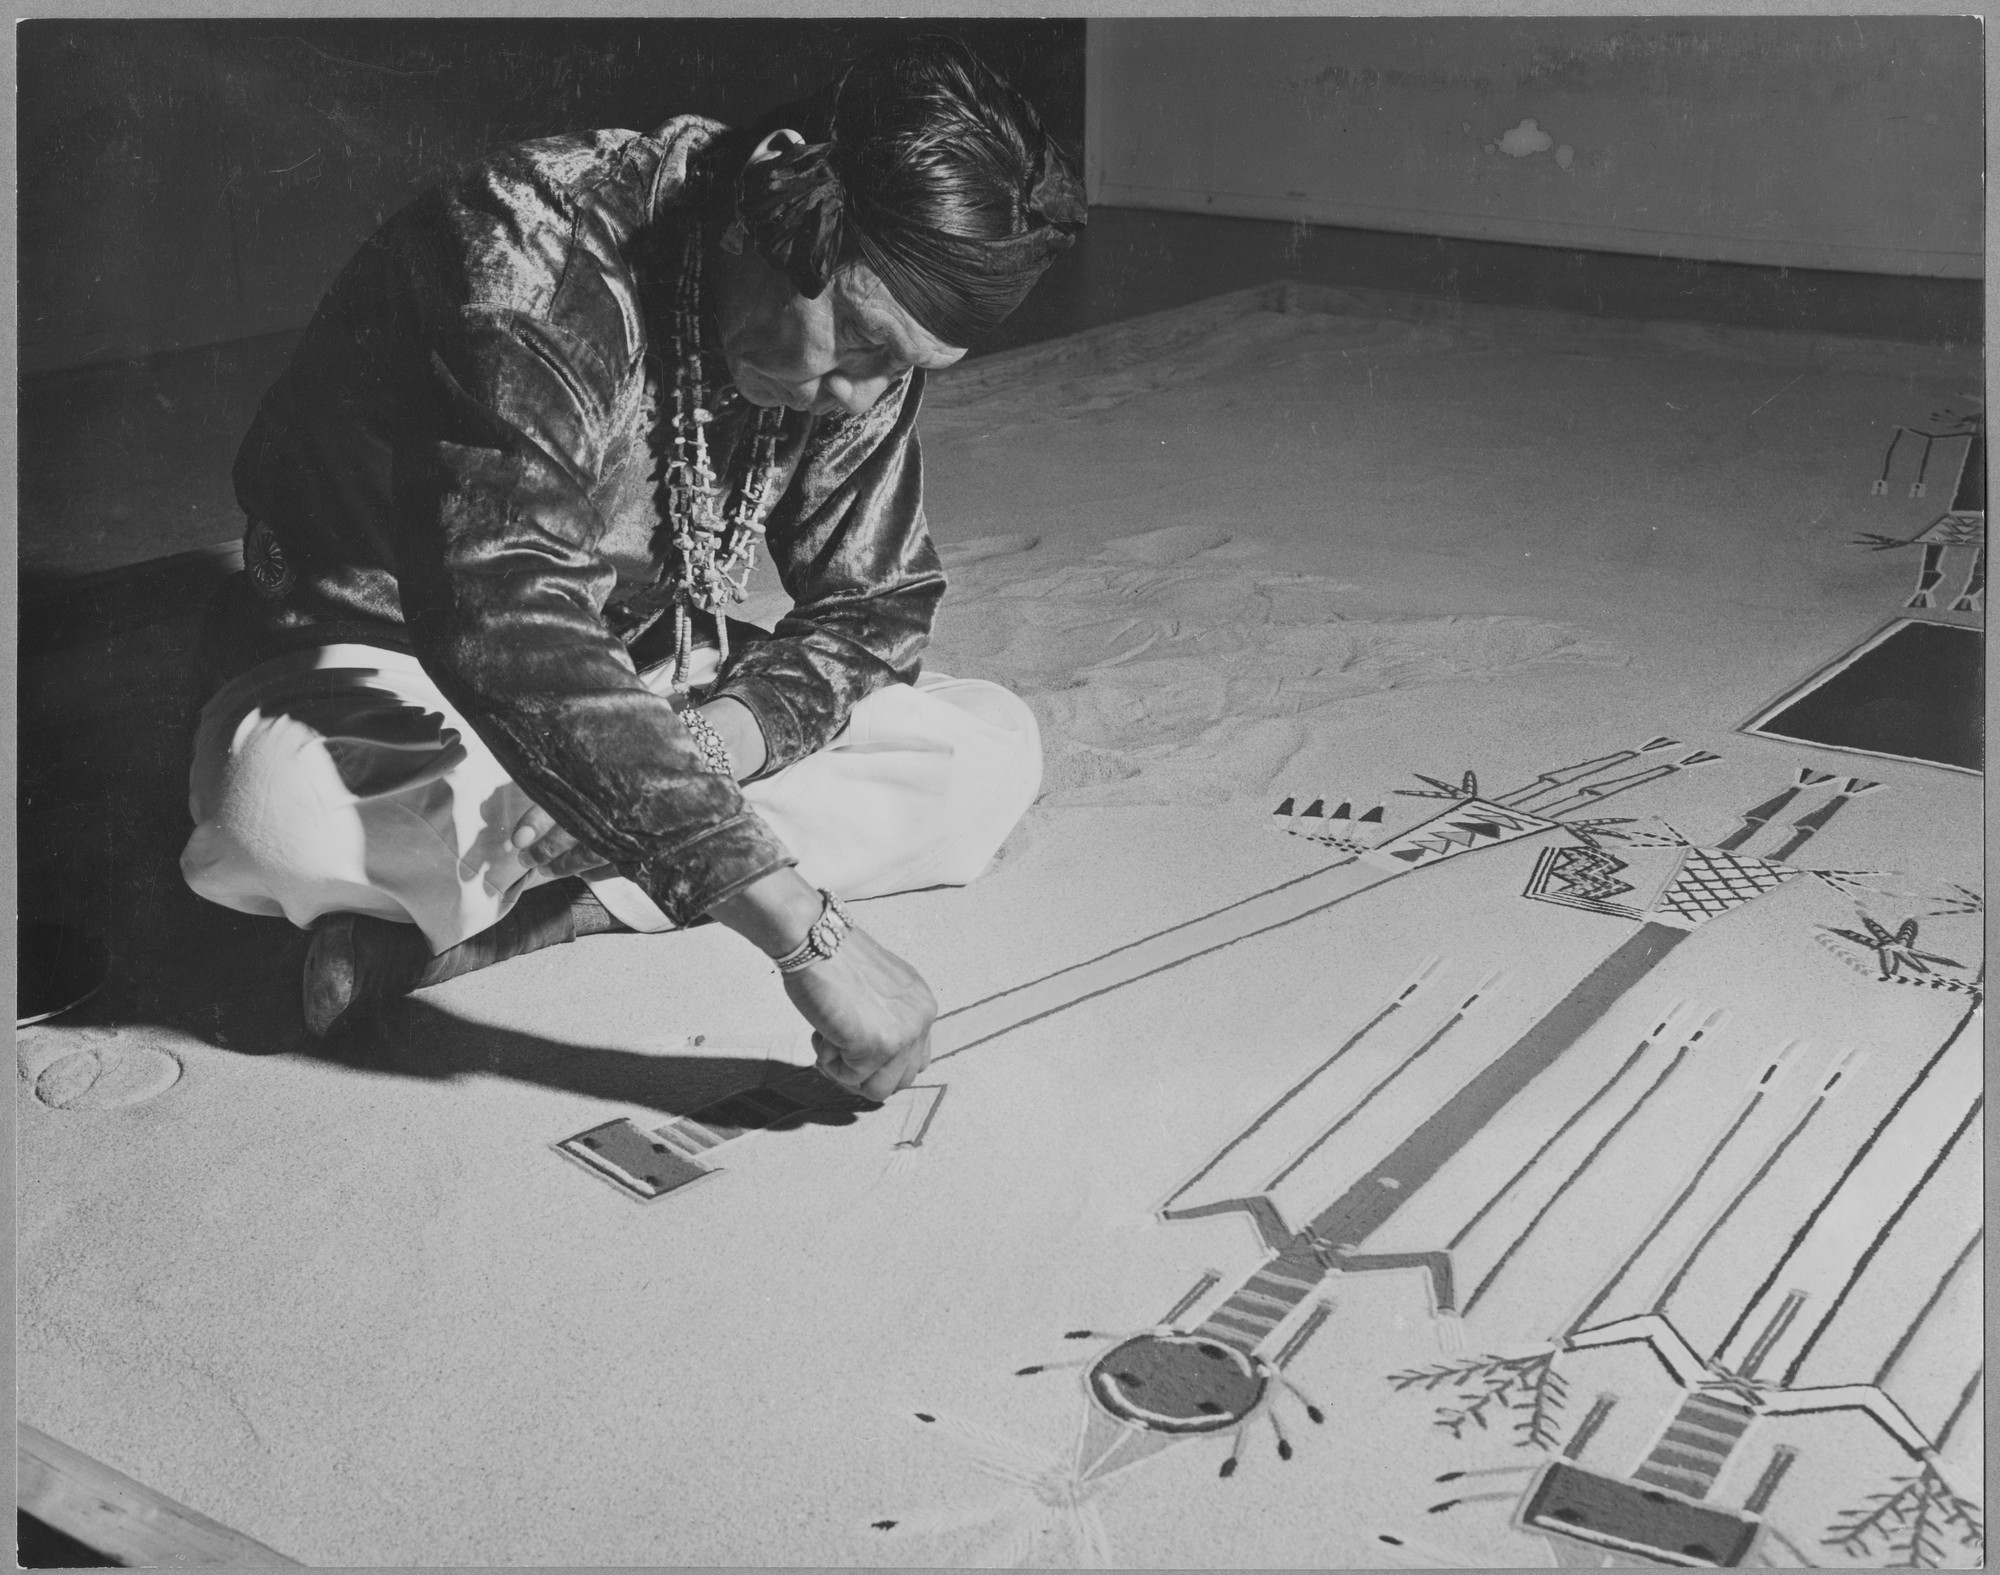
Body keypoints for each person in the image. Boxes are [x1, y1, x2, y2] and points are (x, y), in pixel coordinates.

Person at [178, 34, 1085, 1103]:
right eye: (858, 337)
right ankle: (611, 862)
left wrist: (715, 743)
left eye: (904, 369)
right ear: (773, 191)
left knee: (983, 754)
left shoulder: (856, 362)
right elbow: (506, 620)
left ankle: (533, 914)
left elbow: (875, 605)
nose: (856, 396)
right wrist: (805, 931)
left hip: (637, 664)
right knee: (274, 813)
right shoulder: (528, 256)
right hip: (386, 646)